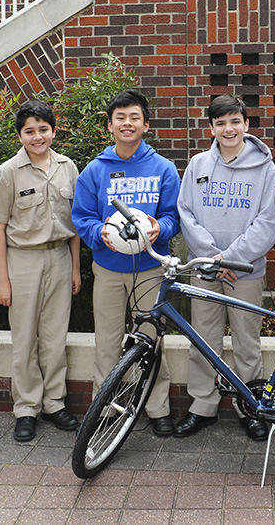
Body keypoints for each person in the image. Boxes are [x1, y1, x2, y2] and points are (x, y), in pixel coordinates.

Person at [71, 90, 181, 436]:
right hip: (108, 270)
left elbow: (174, 216)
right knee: (107, 342)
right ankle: (104, 408)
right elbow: (82, 217)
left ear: (146, 125)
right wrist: (98, 232)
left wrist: (160, 228)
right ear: (110, 126)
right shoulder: (95, 170)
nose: (127, 123)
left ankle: (157, 407)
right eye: (120, 118)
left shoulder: (163, 168)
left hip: (150, 270)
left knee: (151, 340)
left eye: (134, 117)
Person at [174, 95, 275, 441]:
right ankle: (202, 406)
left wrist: (233, 257)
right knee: (203, 339)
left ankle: (250, 407)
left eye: (235, 121)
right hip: (206, 269)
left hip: (244, 271)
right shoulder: (198, 165)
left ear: (246, 125)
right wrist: (212, 258)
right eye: (220, 123)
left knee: (246, 342)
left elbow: (268, 220)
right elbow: (186, 212)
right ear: (211, 128)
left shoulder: (265, 168)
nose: (228, 129)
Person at [0, 100, 82, 442]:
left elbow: (75, 224)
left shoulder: (68, 168)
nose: (37, 136)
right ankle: (26, 408)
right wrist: (2, 279)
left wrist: (75, 269)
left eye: (43, 129)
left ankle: (54, 403)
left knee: (55, 337)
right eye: (30, 131)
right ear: (20, 135)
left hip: (60, 257)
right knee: (24, 338)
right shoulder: (7, 173)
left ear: (54, 131)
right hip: (22, 260)